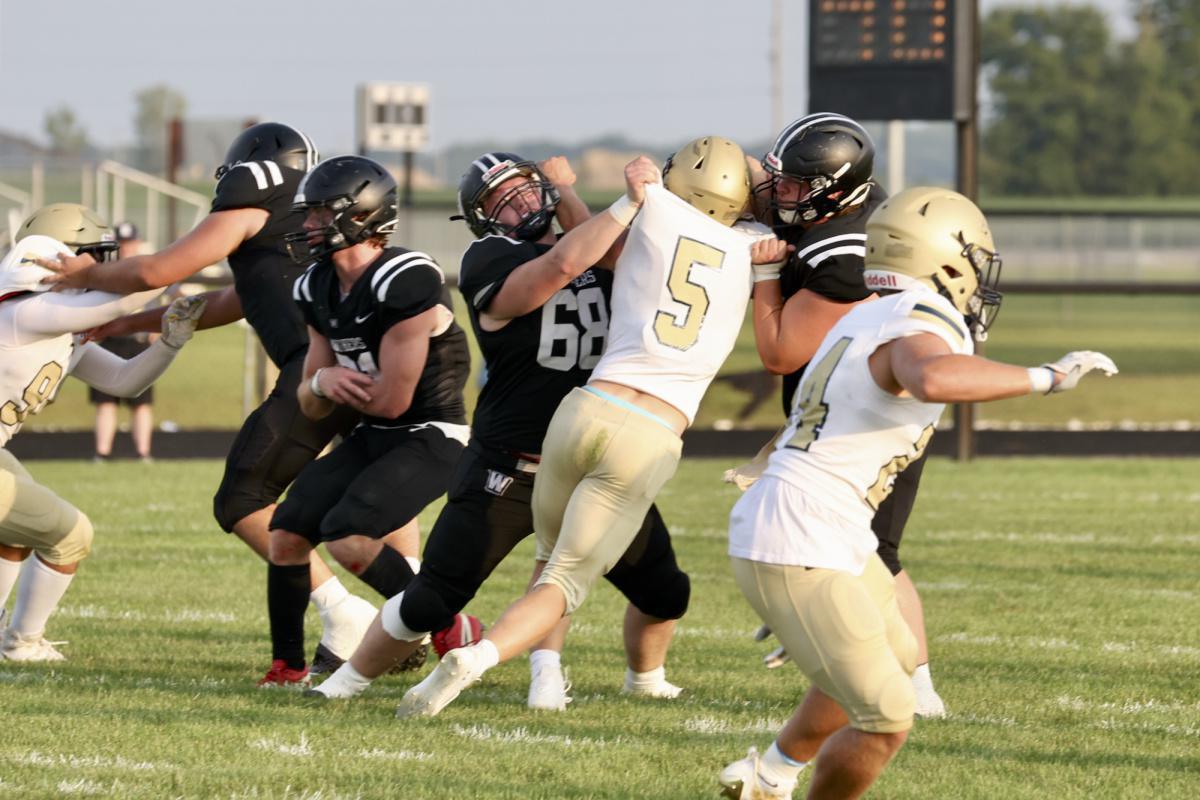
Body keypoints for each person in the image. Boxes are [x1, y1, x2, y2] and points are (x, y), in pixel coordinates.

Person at [718, 187, 1117, 799]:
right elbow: (928, 374)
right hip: (804, 533)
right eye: (975, 260)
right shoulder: (917, 317)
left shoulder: (868, 310)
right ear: (945, 260)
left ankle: (768, 777)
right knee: (885, 719)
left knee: (897, 654)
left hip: (817, 525)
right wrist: (1046, 378)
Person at [391, 136, 783, 719]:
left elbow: (594, 248)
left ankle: (554, 679)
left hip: (582, 409)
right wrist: (770, 259)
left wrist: (601, 189)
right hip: (649, 428)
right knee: (563, 580)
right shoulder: (755, 244)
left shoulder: (651, 210)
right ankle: (480, 657)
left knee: (557, 561)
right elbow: (764, 214)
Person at [308, 153, 690, 709]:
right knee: (432, 599)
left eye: (524, 190)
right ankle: (344, 683)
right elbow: (559, 266)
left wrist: (567, 193)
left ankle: (646, 681)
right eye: (497, 201)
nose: (518, 204)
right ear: (482, 220)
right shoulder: (490, 258)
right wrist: (624, 201)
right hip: (510, 465)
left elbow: (614, 254)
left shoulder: (589, 245)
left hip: (593, 464)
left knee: (665, 591)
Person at [37, 123, 387, 674]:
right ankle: (414, 615)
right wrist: (131, 322)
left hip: (319, 365)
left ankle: (349, 614)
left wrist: (90, 275)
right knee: (368, 492)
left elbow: (161, 269)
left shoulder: (256, 190)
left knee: (243, 500)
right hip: (368, 357)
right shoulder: (302, 216)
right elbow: (233, 300)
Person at [740, 112, 946, 716]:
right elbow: (767, 185)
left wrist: (766, 277)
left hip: (864, 422)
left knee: (876, 553)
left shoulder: (841, 255)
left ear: (834, 189)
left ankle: (918, 686)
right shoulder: (859, 201)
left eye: (797, 187)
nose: (781, 196)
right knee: (844, 548)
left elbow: (781, 352)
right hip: (849, 414)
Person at [260, 155, 475, 686]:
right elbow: (313, 402)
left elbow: (395, 402)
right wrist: (319, 384)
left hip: (432, 433)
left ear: (360, 215)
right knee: (285, 534)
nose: (308, 226)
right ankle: (287, 667)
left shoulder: (407, 279)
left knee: (349, 538)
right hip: (373, 433)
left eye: (318, 214)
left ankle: (448, 625)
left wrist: (329, 387)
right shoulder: (316, 286)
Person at [0, 207, 204, 661]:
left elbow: (123, 382)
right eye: (92, 258)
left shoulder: (58, 328)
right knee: (71, 533)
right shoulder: (25, 310)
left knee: (19, 525)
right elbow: (133, 291)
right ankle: (22, 642)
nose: (99, 269)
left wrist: (170, 342)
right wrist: (201, 250)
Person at [89, 222, 155, 462]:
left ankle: (143, 453)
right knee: (106, 402)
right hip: (110, 338)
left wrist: (158, 326)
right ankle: (102, 452)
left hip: (138, 340)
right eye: (122, 244)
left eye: (130, 243)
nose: (126, 248)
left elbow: (167, 292)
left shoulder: (150, 267)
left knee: (141, 403)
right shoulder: (108, 269)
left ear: (137, 243)